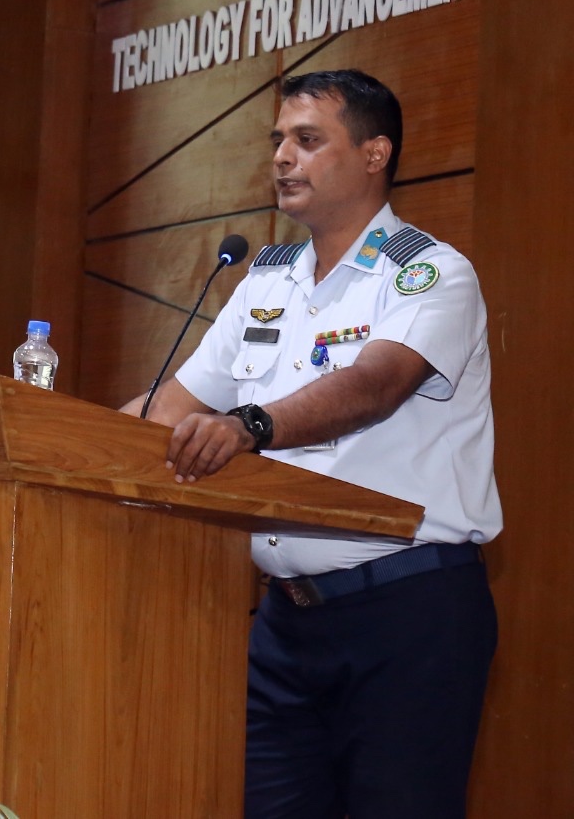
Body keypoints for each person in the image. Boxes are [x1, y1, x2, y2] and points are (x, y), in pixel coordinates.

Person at [123, 69, 500, 819]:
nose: (282, 158)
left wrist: (249, 427)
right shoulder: (265, 281)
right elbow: (172, 406)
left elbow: (374, 385)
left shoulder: (429, 274)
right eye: (278, 141)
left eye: (306, 140)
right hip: (285, 626)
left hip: (407, 613)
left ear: (374, 154)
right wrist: (61, 437)